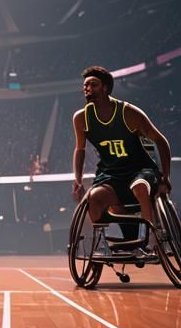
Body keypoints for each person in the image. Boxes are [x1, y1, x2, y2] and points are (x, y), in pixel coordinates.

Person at [72, 66, 172, 236]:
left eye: (93, 84)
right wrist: (78, 180)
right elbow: (80, 149)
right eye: (85, 86)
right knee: (94, 198)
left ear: (105, 88)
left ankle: (149, 238)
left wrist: (165, 177)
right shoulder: (81, 118)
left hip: (140, 170)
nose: (87, 88)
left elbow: (161, 142)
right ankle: (117, 242)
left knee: (140, 187)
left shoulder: (128, 113)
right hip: (111, 174)